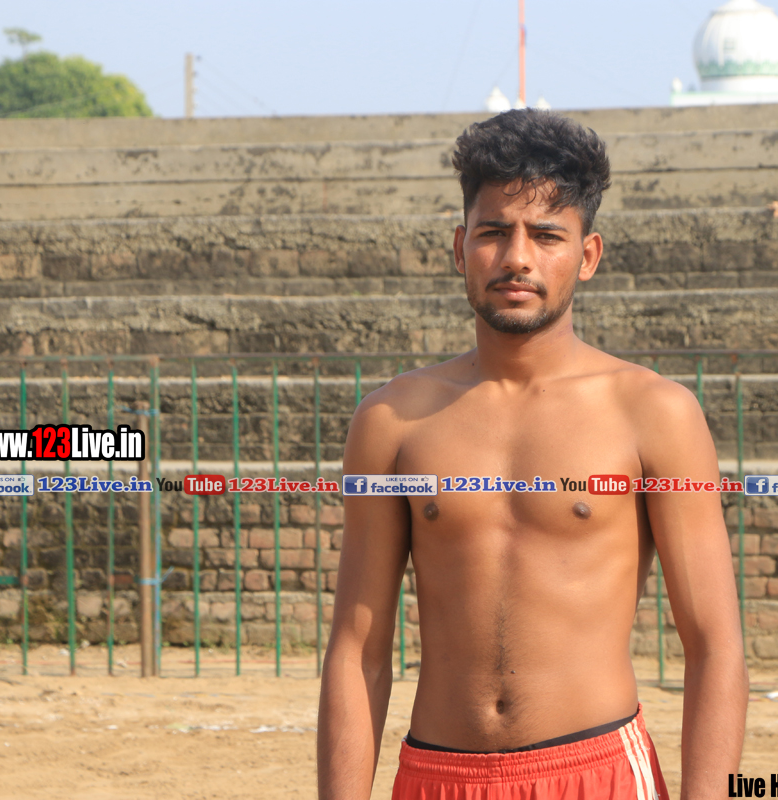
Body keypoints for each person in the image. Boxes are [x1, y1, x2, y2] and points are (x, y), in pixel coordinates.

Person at [318, 109, 748, 800]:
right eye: (493, 232)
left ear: (588, 255)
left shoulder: (653, 413)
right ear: (460, 247)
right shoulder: (391, 421)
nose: (517, 258)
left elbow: (715, 645)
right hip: (437, 779)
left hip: (598, 773)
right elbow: (357, 651)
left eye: (546, 235)